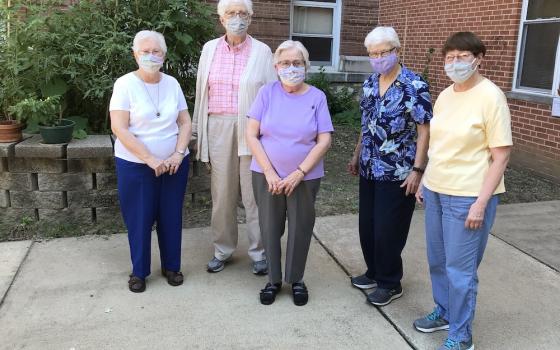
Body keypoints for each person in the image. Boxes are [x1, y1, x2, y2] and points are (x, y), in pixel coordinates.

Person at [413, 32, 512, 350]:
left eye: (462, 56)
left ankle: (461, 334)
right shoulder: (445, 95)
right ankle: (443, 312)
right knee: (438, 261)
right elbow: (438, 145)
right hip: (437, 191)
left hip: (469, 195)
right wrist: (426, 179)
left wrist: (481, 203)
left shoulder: (491, 96)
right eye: (450, 56)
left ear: (478, 58)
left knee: (461, 271)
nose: (455, 62)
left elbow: (501, 156)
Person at [347, 26, 432, 306]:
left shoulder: (414, 84)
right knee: (368, 226)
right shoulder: (371, 82)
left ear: (397, 51)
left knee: (388, 228)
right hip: (370, 166)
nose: (378, 58)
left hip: (398, 171)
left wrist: (418, 171)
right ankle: (374, 272)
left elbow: (424, 131)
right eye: (372, 53)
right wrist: (357, 154)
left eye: (383, 52)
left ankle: (390, 282)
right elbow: (366, 124)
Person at [246, 40, 333, 306]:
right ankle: (272, 279)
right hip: (266, 175)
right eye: (285, 63)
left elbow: (324, 139)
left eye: (297, 63)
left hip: (305, 177)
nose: (291, 68)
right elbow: (251, 134)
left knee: (301, 227)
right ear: (276, 67)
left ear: (306, 66)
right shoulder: (266, 93)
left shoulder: (317, 97)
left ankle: (296, 279)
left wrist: (299, 172)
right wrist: (270, 172)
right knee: (269, 226)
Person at [192, 0, 276, 274]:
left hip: (252, 127)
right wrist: (198, 131)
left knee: (254, 194)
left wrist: (270, 133)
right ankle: (222, 249)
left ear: (251, 18)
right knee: (222, 192)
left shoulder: (262, 51)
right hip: (217, 125)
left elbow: (272, 95)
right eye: (231, 13)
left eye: (243, 13)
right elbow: (201, 92)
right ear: (221, 18)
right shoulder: (209, 49)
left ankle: (260, 252)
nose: (237, 18)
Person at [110, 30, 192, 293]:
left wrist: (178, 153)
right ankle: (139, 272)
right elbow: (119, 128)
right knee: (139, 218)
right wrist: (150, 159)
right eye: (144, 51)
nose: (150, 56)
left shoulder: (172, 84)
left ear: (164, 55)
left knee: (170, 216)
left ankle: (171, 266)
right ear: (135, 54)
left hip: (174, 164)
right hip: (136, 165)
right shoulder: (124, 84)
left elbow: (185, 121)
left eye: (156, 51)